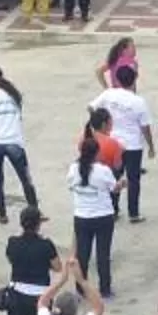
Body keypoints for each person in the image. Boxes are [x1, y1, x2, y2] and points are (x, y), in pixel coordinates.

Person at [66, 117, 118, 295]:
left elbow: (70, 185)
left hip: (82, 217)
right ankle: (105, 289)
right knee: (103, 255)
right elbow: (113, 188)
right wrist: (123, 184)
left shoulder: (74, 169)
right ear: (97, 153)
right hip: (103, 216)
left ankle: (81, 288)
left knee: (82, 255)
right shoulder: (103, 171)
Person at [102, 65, 153, 222]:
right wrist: (151, 145)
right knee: (133, 179)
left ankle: (113, 209)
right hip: (132, 145)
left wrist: (103, 127)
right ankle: (133, 213)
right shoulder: (138, 101)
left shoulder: (109, 94)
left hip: (114, 143)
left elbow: (91, 107)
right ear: (133, 81)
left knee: (114, 176)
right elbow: (145, 127)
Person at [0, 67, 32, 220]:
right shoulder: (14, 95)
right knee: (25, 178)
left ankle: (2, 214)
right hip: (14, 142)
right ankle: (34, 209)